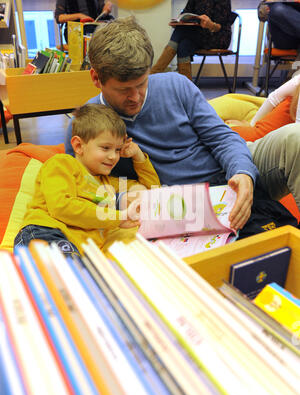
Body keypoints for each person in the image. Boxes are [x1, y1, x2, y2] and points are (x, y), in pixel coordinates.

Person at [65, 16, 259, 232]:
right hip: (177, 207)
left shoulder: (177, 84)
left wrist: (242, 171)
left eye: (142, 84)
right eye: (123, 90)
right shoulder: (85, 124)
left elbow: (222, 138)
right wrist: (123, 200)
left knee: (291, 140)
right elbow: (81, 189)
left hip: (225, 176)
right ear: (96, 79)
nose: (135, 97)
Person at [14, 104, 160, 256]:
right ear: (78, 146)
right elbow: (62, 207)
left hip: (82, 249)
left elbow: (152, 192)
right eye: (105, 148)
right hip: (46, 231)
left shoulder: (108, 182)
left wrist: (138, 156)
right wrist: (119, 217)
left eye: (117, 150)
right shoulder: (62, 164)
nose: (113, 156)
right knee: (65, 271)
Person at [151, 0, 233, 80]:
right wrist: (178, 22)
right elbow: (186, 12)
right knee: (183, 45)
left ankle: (153, 75)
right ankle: (186, 89)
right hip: (198, 35)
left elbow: (221, 26)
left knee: (180, 32)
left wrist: (211, 25)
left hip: (218, 37)